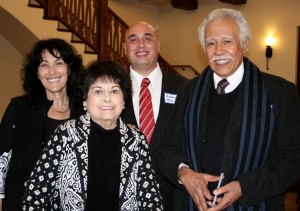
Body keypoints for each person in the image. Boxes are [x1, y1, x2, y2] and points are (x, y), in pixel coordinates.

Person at [157, 8, 300, 211]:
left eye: (227, 41)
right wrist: (183, 172)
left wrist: (244, 187)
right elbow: (166, 149)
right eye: (211, 43)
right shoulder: (188, 90)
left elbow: (293, 158)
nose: (218, 51)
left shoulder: (280, 93)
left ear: (244, 44)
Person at [22, 60, 163, 210]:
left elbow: (150, 197)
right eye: (98, 91)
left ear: (123, 100)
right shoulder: (65, 134)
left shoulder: (136, 139)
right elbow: (36, 192)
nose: (107, 98)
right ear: (85, 100)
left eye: (114, 91)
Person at [0, 38, 85, 211]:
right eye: (44, 65)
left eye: (59, 63)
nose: (52, 71)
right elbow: (1, 158)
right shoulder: (19, 108)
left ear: (69, 69)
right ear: (37, 72)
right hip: (23, 203)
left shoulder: (85, 110)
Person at [122, 21, 187, 210]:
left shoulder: (185, 88)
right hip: (124, 198)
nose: (141, 45)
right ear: (125, 48)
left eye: (147, 38)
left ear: (158, 45)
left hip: (173, 197)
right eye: (133, 40)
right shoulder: (110, 90)